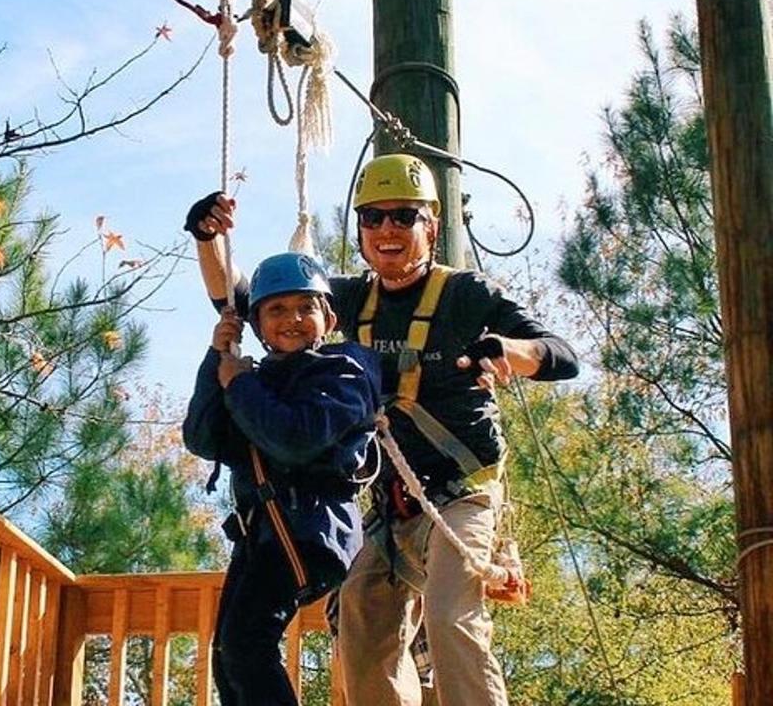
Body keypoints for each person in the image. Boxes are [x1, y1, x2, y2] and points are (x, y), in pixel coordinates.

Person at [183, 154, 579, 706]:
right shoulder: (343, 301)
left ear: (431, 227)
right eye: (373, 218)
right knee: (361, 625)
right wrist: (208, 237)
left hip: (461, 491)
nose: (387, 229)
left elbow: (562, 355)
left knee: (448, 615)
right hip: (390, 504)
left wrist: (509, 350)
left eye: (404, 216)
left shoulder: (466, 297)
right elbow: (242, 299)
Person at [182, 252, 380, 706]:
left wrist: (240, 386)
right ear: (257, 323)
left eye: (305, 308)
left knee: (246, 645)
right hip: (267, 532)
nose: (292, 319)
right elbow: (204, 438)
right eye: (276, 309)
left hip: (311, 529)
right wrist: (218, 361)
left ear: (327, 317)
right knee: (227, 654)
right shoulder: (258, 380)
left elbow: (296, 438)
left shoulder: (344, 370)